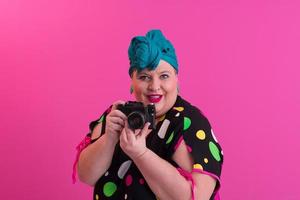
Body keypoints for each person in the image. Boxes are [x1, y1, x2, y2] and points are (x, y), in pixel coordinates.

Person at [72, 30, 223, 200]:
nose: (154, 86)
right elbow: (86, 176)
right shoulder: (118, 114)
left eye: (164, 76)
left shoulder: (188, 122)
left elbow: (196, 197)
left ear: (176, 79)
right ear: (132, 80)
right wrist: (109, 139)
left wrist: (141, 154)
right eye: (144, 77)